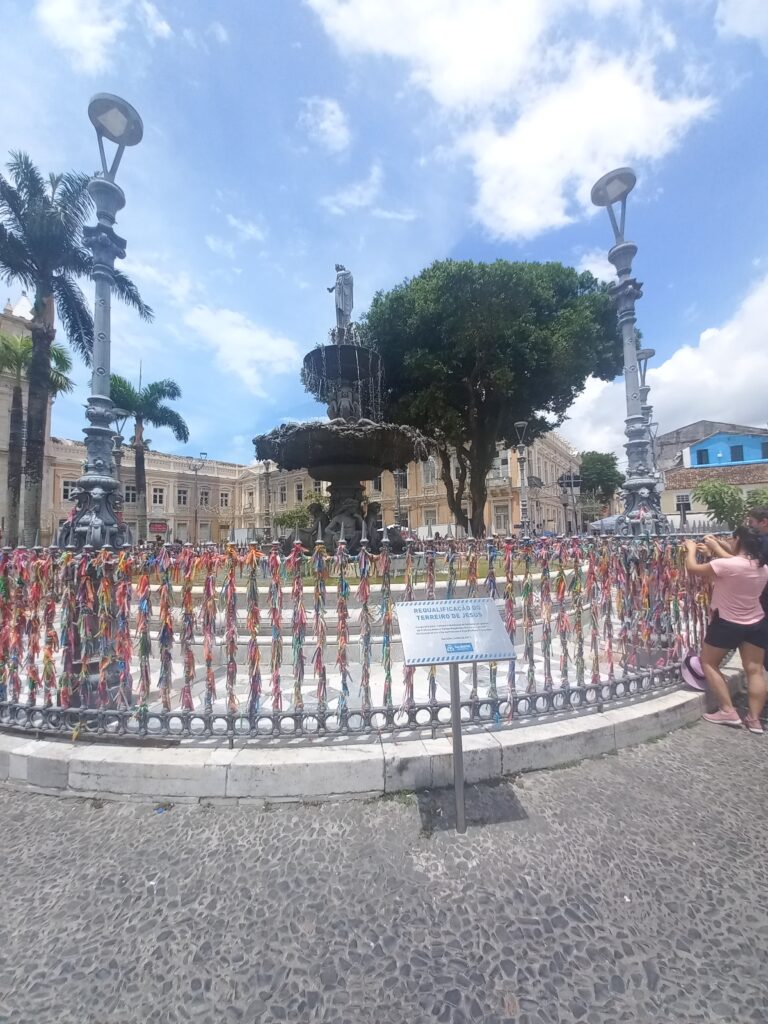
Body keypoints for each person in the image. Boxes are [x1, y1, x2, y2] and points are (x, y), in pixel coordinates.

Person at [684, 527, 768, 734]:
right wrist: (715, 550)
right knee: (755, 670)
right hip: (756, 622)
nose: (729, 540)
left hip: (726, 622)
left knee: (708, 662)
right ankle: (754, 719)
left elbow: (693, 569)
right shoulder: (763, 567)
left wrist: (691, 550)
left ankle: (728, 710)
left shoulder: (726, 564)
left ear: (738, 539)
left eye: (732, 538)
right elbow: (734, 565)